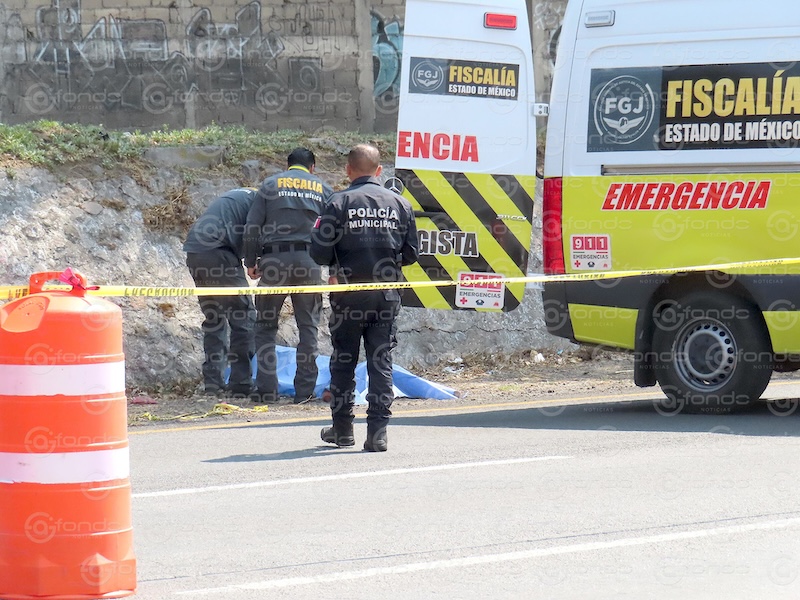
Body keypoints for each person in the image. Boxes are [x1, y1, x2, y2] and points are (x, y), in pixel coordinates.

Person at [310, 144, 418, 452]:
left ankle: (343, 430)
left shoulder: (337, 202)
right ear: (379, 170)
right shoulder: (400, 203)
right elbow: (411, 253)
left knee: (344, 361)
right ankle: (378, 433)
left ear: (348, 170)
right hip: (385, 294)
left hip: (348, 293)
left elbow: (317, 251)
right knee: (380, 361)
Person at [243, 148, 333, 403]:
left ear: (288, 165)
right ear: (312, 167)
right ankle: (304, 393)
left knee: (265, 327)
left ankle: (267, 391)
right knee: (308, 328)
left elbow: (252, 226)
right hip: (309, 262)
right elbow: (332, 232)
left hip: (274, 263)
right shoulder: (323, 189)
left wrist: (250, 260)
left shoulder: (270, 185)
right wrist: (330, 266)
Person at [183, 187, 258, 398]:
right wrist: (255, 262)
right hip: (219, 254)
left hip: (196, 252)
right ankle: (241, 384)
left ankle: (213, 384)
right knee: (244, 318)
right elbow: (254, 234)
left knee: (214, 319)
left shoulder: (241, 196)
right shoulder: (261, 203)